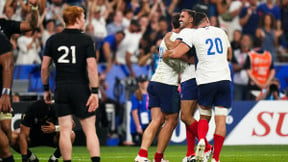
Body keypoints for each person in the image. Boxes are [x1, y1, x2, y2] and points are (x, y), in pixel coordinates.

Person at [164, 12, 232, 162]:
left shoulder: (193, 34)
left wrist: (167, 50)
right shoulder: (220, 31)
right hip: (224, 79)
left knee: (202, 115)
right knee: (220, 120)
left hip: (205, 79)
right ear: (207, 20)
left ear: (193, 21)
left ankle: (202, 141)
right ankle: (215, 158)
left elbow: (177, 52)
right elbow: (229, 55)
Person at [41, 6, 100, 162]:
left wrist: (46, 89)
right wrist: (94, 91)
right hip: (80, 87)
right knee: (90, 130)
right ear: (77, 18)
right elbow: (92, 67)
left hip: (61, 88)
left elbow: (44, 67)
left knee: (65, 131)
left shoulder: (53, 40)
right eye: (83, 17)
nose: (85, 20)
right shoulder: (86, 39)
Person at [164, 9, 212, 162]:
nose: (180, 19)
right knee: (189, 116)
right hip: (198, 77)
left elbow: (175, 50)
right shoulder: (197, 34)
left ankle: (207, 146)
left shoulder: (187, 33)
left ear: (191, 19)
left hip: (190, 78)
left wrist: (166, 39)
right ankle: (191, 153)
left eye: (183, 17)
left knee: (185, 116)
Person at [134, 13, 181, 162]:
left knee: (156, 121)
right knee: (172, 120)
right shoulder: (177, 40)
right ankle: (158, 157)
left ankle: (141, 155)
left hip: (154, 81)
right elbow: (178, 60)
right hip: (167, 83)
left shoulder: (165, 39)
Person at [0, 1, 39, 161]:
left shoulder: (4, 26)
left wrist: (35, 8)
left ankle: (27, 156)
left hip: (3, 86)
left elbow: (31, 24)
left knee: (7, 131)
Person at [130, 75, 151, 146]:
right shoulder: (136, 95)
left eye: (145, 81)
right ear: (139, 83)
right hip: (140, 126)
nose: (144, 83)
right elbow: (134, 112)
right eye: (142, 82)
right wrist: (138, 126)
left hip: (148, 125)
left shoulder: (150, 95)